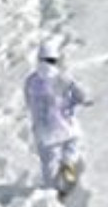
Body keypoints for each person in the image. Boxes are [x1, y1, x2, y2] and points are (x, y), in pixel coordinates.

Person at [23, 42, 88, 194]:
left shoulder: (30, 80)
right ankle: (68, 169)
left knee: (49, 162)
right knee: (72, 145)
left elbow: (27, 101)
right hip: (65, 125)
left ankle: (52, 190)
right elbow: (80, 94)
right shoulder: (62, 78)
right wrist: (76, 103)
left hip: (44, 131)